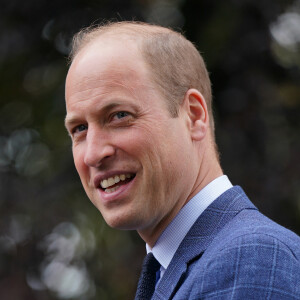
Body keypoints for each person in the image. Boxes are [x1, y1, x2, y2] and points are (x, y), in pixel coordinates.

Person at [64, 21, 300, 299]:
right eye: (79, 129)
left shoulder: (251, 258)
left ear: (194, 115)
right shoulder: (182, 266)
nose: (93, 154)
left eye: (119, 116)